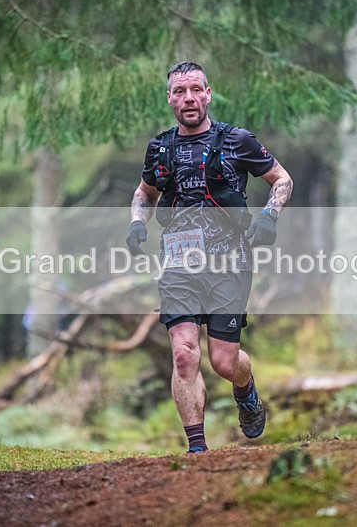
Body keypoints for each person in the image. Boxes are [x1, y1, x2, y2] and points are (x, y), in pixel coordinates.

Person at [125, 61, 293, 453]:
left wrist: (269, 216)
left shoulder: (237, 140)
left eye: (196, 90)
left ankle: (245, 389)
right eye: (180, 91)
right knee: (184, 354)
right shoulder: (160, 148)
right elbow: (145, 192)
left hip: (228, 263)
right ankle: (197, 450)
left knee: (223, 361)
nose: (189, 98)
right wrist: (136, 223)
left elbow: (282, 179)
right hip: (178, 264)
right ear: (169, 99)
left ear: (208, 94)